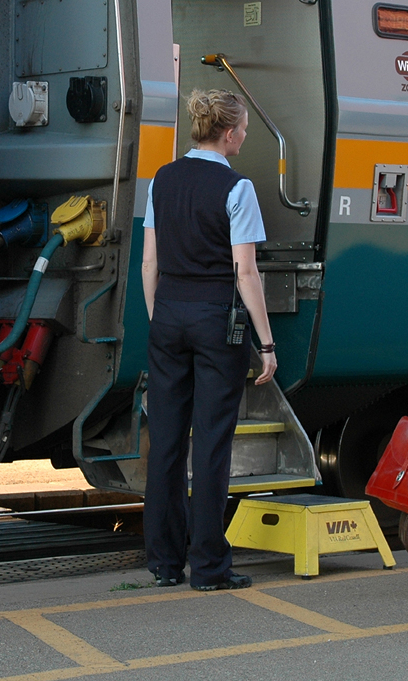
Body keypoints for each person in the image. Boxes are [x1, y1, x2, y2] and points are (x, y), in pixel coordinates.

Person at [141, 87, 277, 592]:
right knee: (213, 442)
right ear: (228, 132)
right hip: (217, 319)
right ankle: (210, 567)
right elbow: (246, 272)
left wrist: (160, 319)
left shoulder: (163, 178)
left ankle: (163, 562)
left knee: (168, 441)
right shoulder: (237, 188)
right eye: (242, 129)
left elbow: (149, 262)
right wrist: (266, 341)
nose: (244, 136)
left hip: (169, 314)